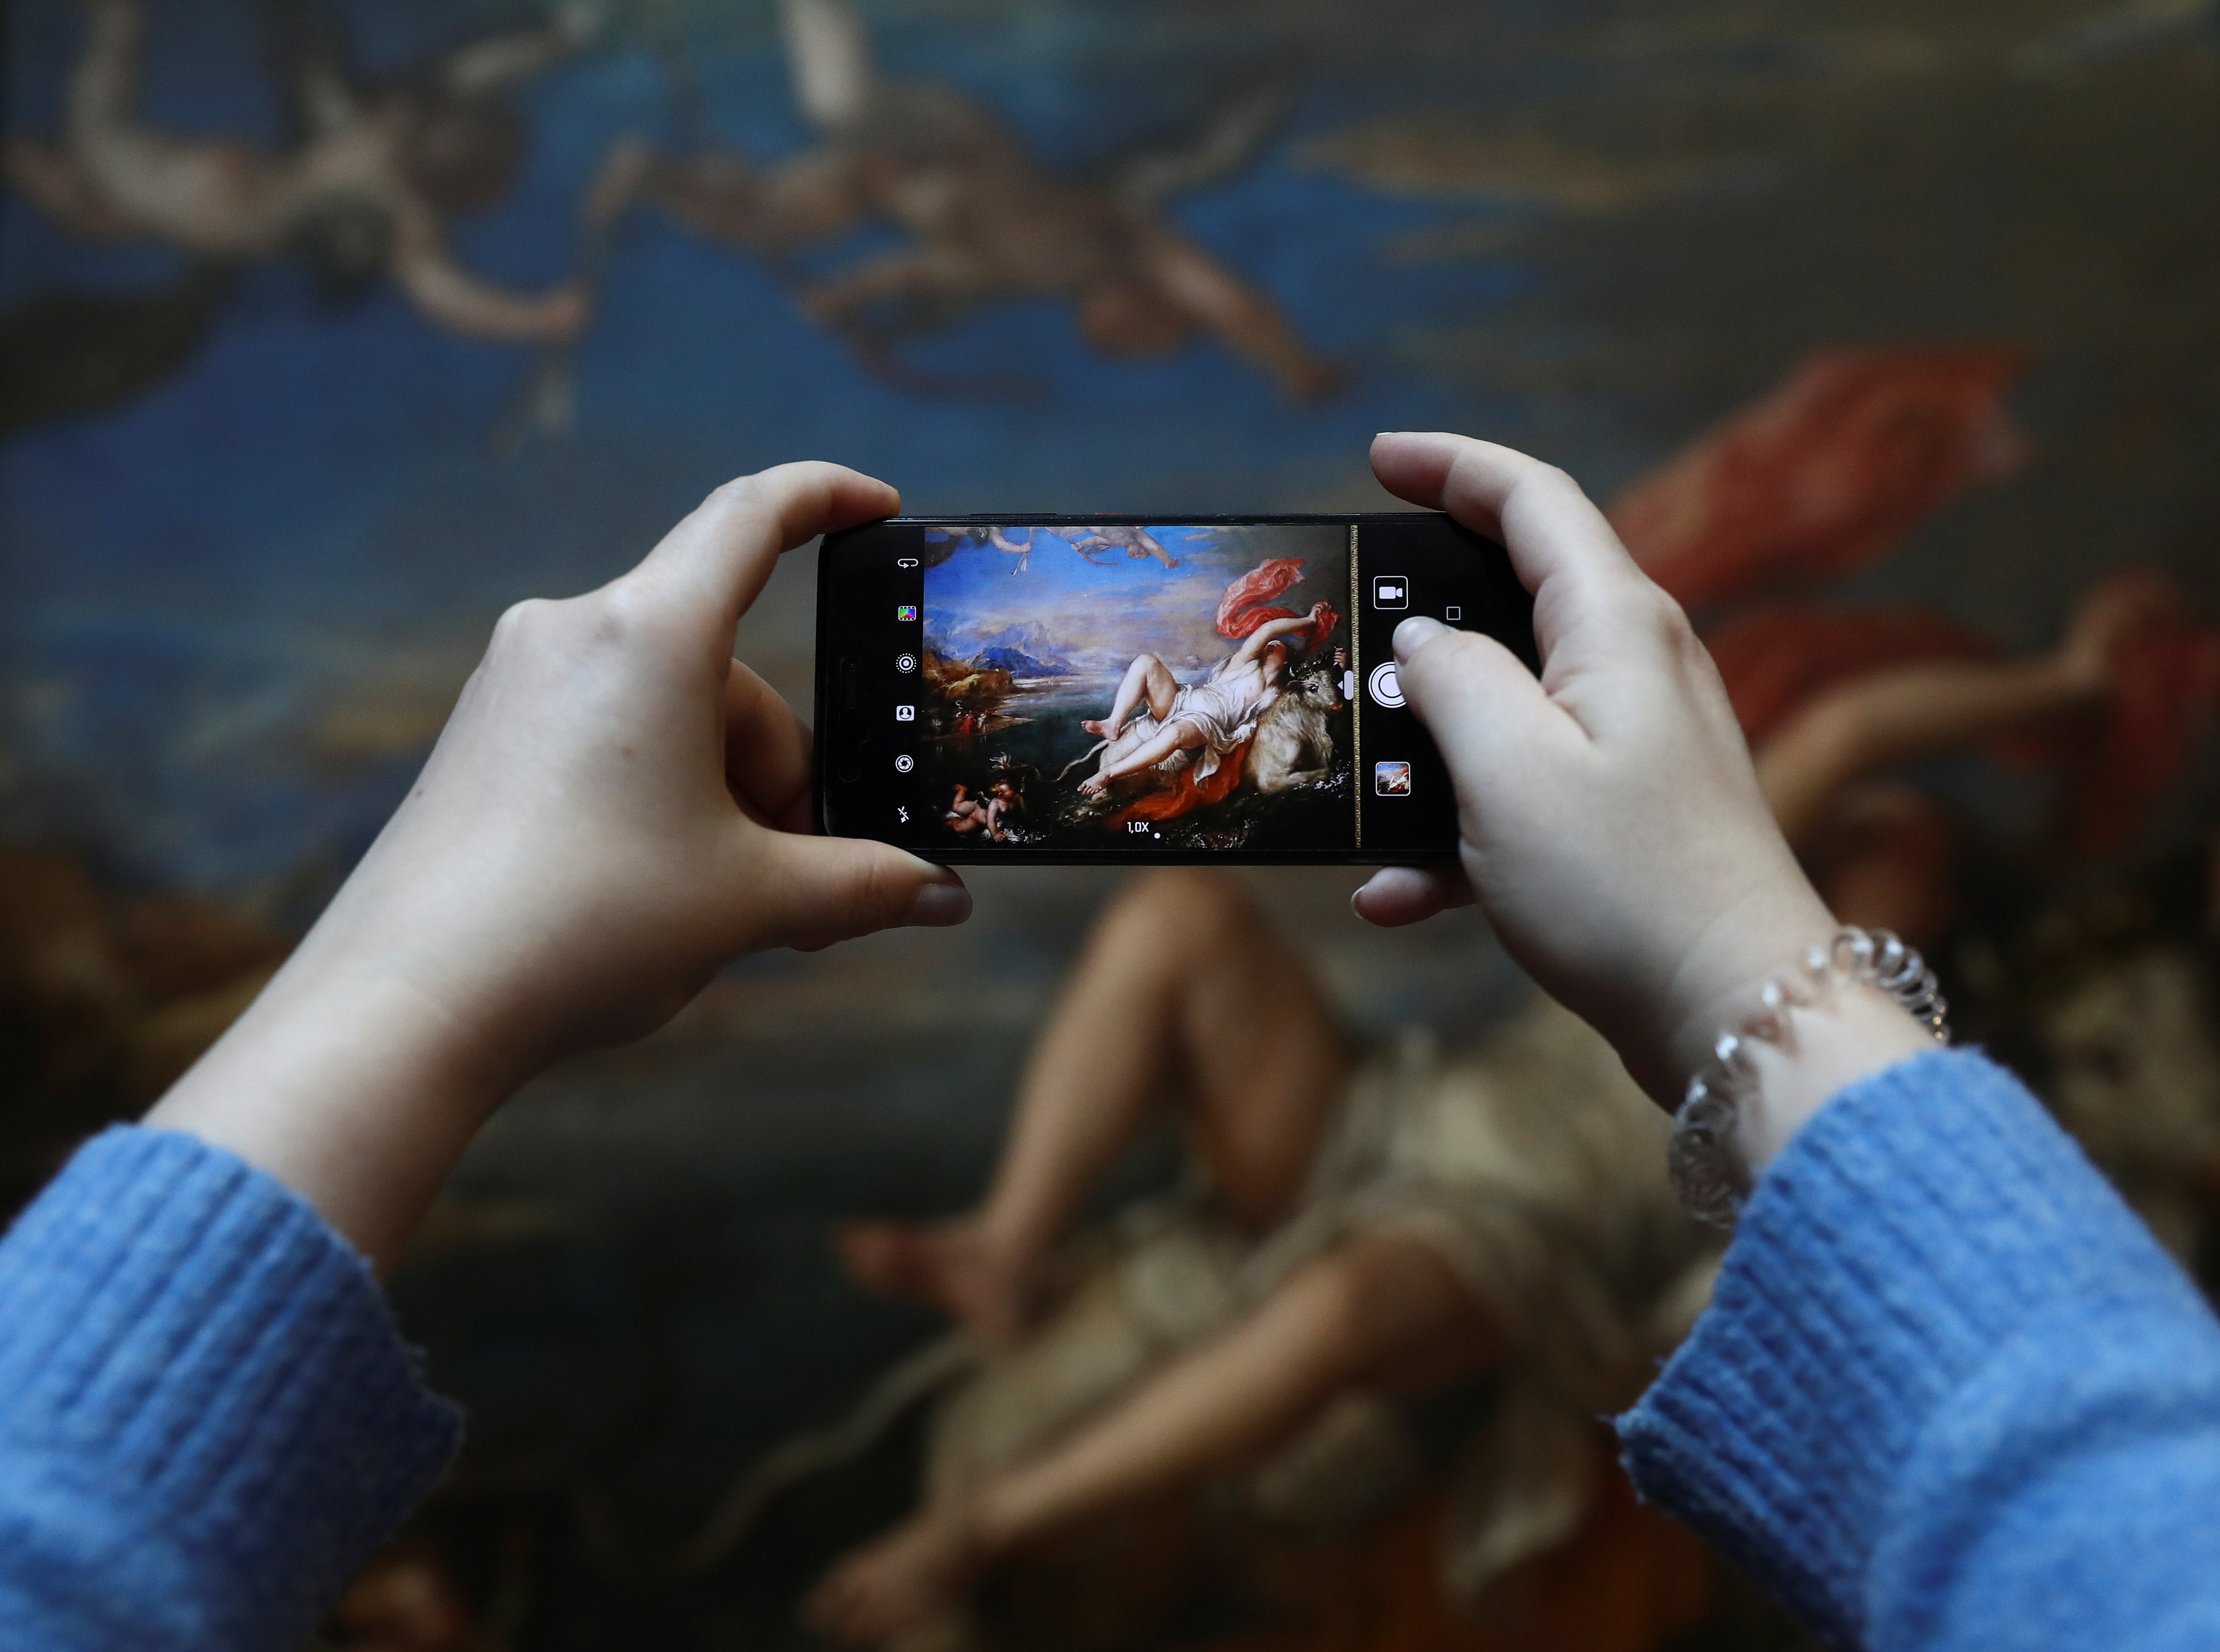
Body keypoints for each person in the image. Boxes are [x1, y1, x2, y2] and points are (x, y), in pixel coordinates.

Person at [0, 436, 2214, 1651]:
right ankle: (1005, 1236)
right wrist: (2034, 698)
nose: (1887, 841)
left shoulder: (1917, 991)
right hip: (1423, 1114)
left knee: (1373, 1286)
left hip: (1540, 1208)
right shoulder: (1789, 870)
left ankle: (984, 1530)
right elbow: (1867, 730)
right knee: (1174, 910)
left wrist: (401, 975)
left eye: (1913, 856)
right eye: (1866, 834)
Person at [813, 868, 1718, 1645]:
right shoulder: (1714, 910)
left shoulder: (1805, 1083)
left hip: (1497, 1208)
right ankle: (1005, 1261)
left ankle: (990, 1501)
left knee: (1349, 1298)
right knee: (1182, 917)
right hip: (1428, 1137)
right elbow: (1775, 783)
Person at [584, 0, 1341, 400]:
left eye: (1117, 346)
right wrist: (1293, 367)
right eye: (1145, 334)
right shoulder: (1116, 236)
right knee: (841, 107)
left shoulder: (1028, 278)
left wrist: (841, 296)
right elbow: (1231, 303)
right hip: (949, 140)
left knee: (762, 225)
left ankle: (650, 170)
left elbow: (918, 270)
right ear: (1158, 306)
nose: (1113, 336)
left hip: (876, 182)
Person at [4, 0, 596, 345]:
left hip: (215, 206)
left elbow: (446, 295)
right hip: (209, 194)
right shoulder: (387, 129)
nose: (412, 119)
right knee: (96, 132)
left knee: (100, 116)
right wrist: (560, 41)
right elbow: (472, 72)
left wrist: (538, 317)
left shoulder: (400, 210)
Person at [1077, 604, 1330, 796]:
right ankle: (1114, 724)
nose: (1270, 646)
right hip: (1183, 700)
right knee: (1147, 662)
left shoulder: (1277, 693)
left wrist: (1340, 662)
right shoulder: (1241, 665)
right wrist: (1308, 620)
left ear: (1286, 660)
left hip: (1206, 722)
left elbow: (1318, 687)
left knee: (1175, 733)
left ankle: (1109, 773)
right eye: (1268, 645)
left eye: (1277, 646)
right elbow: (1268, 630)